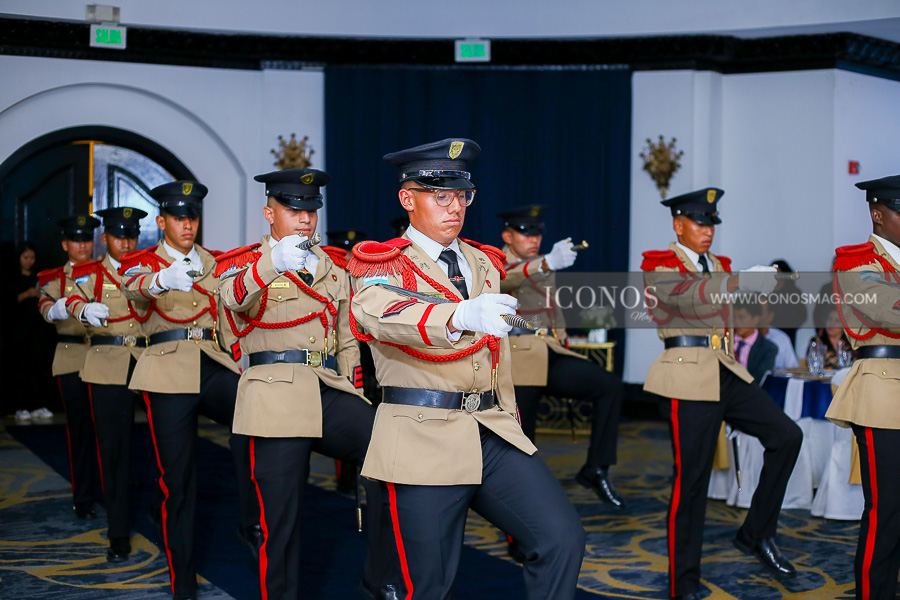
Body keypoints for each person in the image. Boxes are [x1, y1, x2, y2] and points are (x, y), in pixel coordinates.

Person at [349, 138, 585, 599]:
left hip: (490, 428)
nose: (455, 207)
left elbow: (498, 356)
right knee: (428, 584)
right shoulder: (383, 262)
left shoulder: (484, 262)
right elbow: (375, 313)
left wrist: (510, 415)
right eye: (441, 196)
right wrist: (457, 315)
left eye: (462, 195)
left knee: (561, 539)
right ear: (407, 199)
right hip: (423, 434)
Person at [218, 170, 398, 600]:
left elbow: (347, 338)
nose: (304, 218)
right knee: (280, 520)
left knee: (391, 448)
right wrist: (271, 265)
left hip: (327, 388)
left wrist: (354, 391)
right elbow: (232, 298)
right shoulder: (246, 262)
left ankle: (381, 579)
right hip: (274, 392)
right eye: (293, 209)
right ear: (269, 214)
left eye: (311, 210)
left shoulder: (332, 265)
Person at [641, 188, 802, 600]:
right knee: (692, 482)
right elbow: (681, 297)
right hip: (685, 373)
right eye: (700, 222)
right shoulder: (658, 264)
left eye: (712, 223)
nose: (708, 230)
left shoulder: (720, 266)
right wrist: (738, 282)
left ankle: (756, 532)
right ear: (678, 225)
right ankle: (684, 582)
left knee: (787, 435)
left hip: (726, 369)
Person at [118, 181, 258, 600]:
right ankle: (182, 575)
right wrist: (162, 279)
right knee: (178, 478)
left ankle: (251, 518)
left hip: (212, 363)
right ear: (162, 221)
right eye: (179, 218)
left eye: (193, 217)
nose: (187, 225)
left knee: (257, 416)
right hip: (166, 368)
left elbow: (230, 314)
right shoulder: (143, 262)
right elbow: (132, 287)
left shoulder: (216, 262)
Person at [497, 204, 626, 509]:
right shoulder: (493, 260)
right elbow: (504, 280)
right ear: (507, 235)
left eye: (538, 233)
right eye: (525, 232)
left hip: (549, 352)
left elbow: (553, 311)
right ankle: (518, 516)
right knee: (523, 442)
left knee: (609, 386)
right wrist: (544, 263)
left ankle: (596, 468)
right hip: (517, 357)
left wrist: (564, 341)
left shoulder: (545, 263)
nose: (534, 239)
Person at [827, 174, 900, 600]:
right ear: (878, 214)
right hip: (881, 391)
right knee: (885, 510)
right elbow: (889, 309)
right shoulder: (854, 261)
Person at [62, 207, 149, 562]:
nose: (126, 243)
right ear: (105, 238)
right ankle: (118, 532)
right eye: (118, 236)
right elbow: (71, 298)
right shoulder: (90, 273)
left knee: (165, 447)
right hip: (108, 363)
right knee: (113, 451)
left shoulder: (151, 268)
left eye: (131, 235)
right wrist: (81, 309)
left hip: (149, 360)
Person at [37, 215, 102, 520]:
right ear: (65, 244)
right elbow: (45, 309)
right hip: (72, 357)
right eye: (76, 240)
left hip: (105, 356)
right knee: (80, 431)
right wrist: (59, 308)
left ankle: (113, 490)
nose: (82, 246)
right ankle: (84, 498)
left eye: (87, 239)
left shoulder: (106, 272)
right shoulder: (54, 279)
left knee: (111, 429)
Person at [7, 241, 55, 422]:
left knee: (38, 365)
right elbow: (8, 301)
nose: (29, 261)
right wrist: (27, 294)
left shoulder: (39, 276)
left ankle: (37, 404)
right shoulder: (11, 277)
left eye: (32, 258)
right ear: (19, 258)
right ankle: (21, 406)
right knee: (21, 366)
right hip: (18, 329)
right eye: (25, 257)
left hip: (37, 328)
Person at [732, 301, 778, 382]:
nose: (737, 322)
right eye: (734, 318)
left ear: (755, 319)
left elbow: (758, 379)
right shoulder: (725, 342)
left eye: (742, 318)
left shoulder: (768, 349)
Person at [757, 300, 799, 371]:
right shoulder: (739, 338)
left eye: (759, 311)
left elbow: (793, 369)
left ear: (770, 316)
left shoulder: (781, 339)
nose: (755, 316)